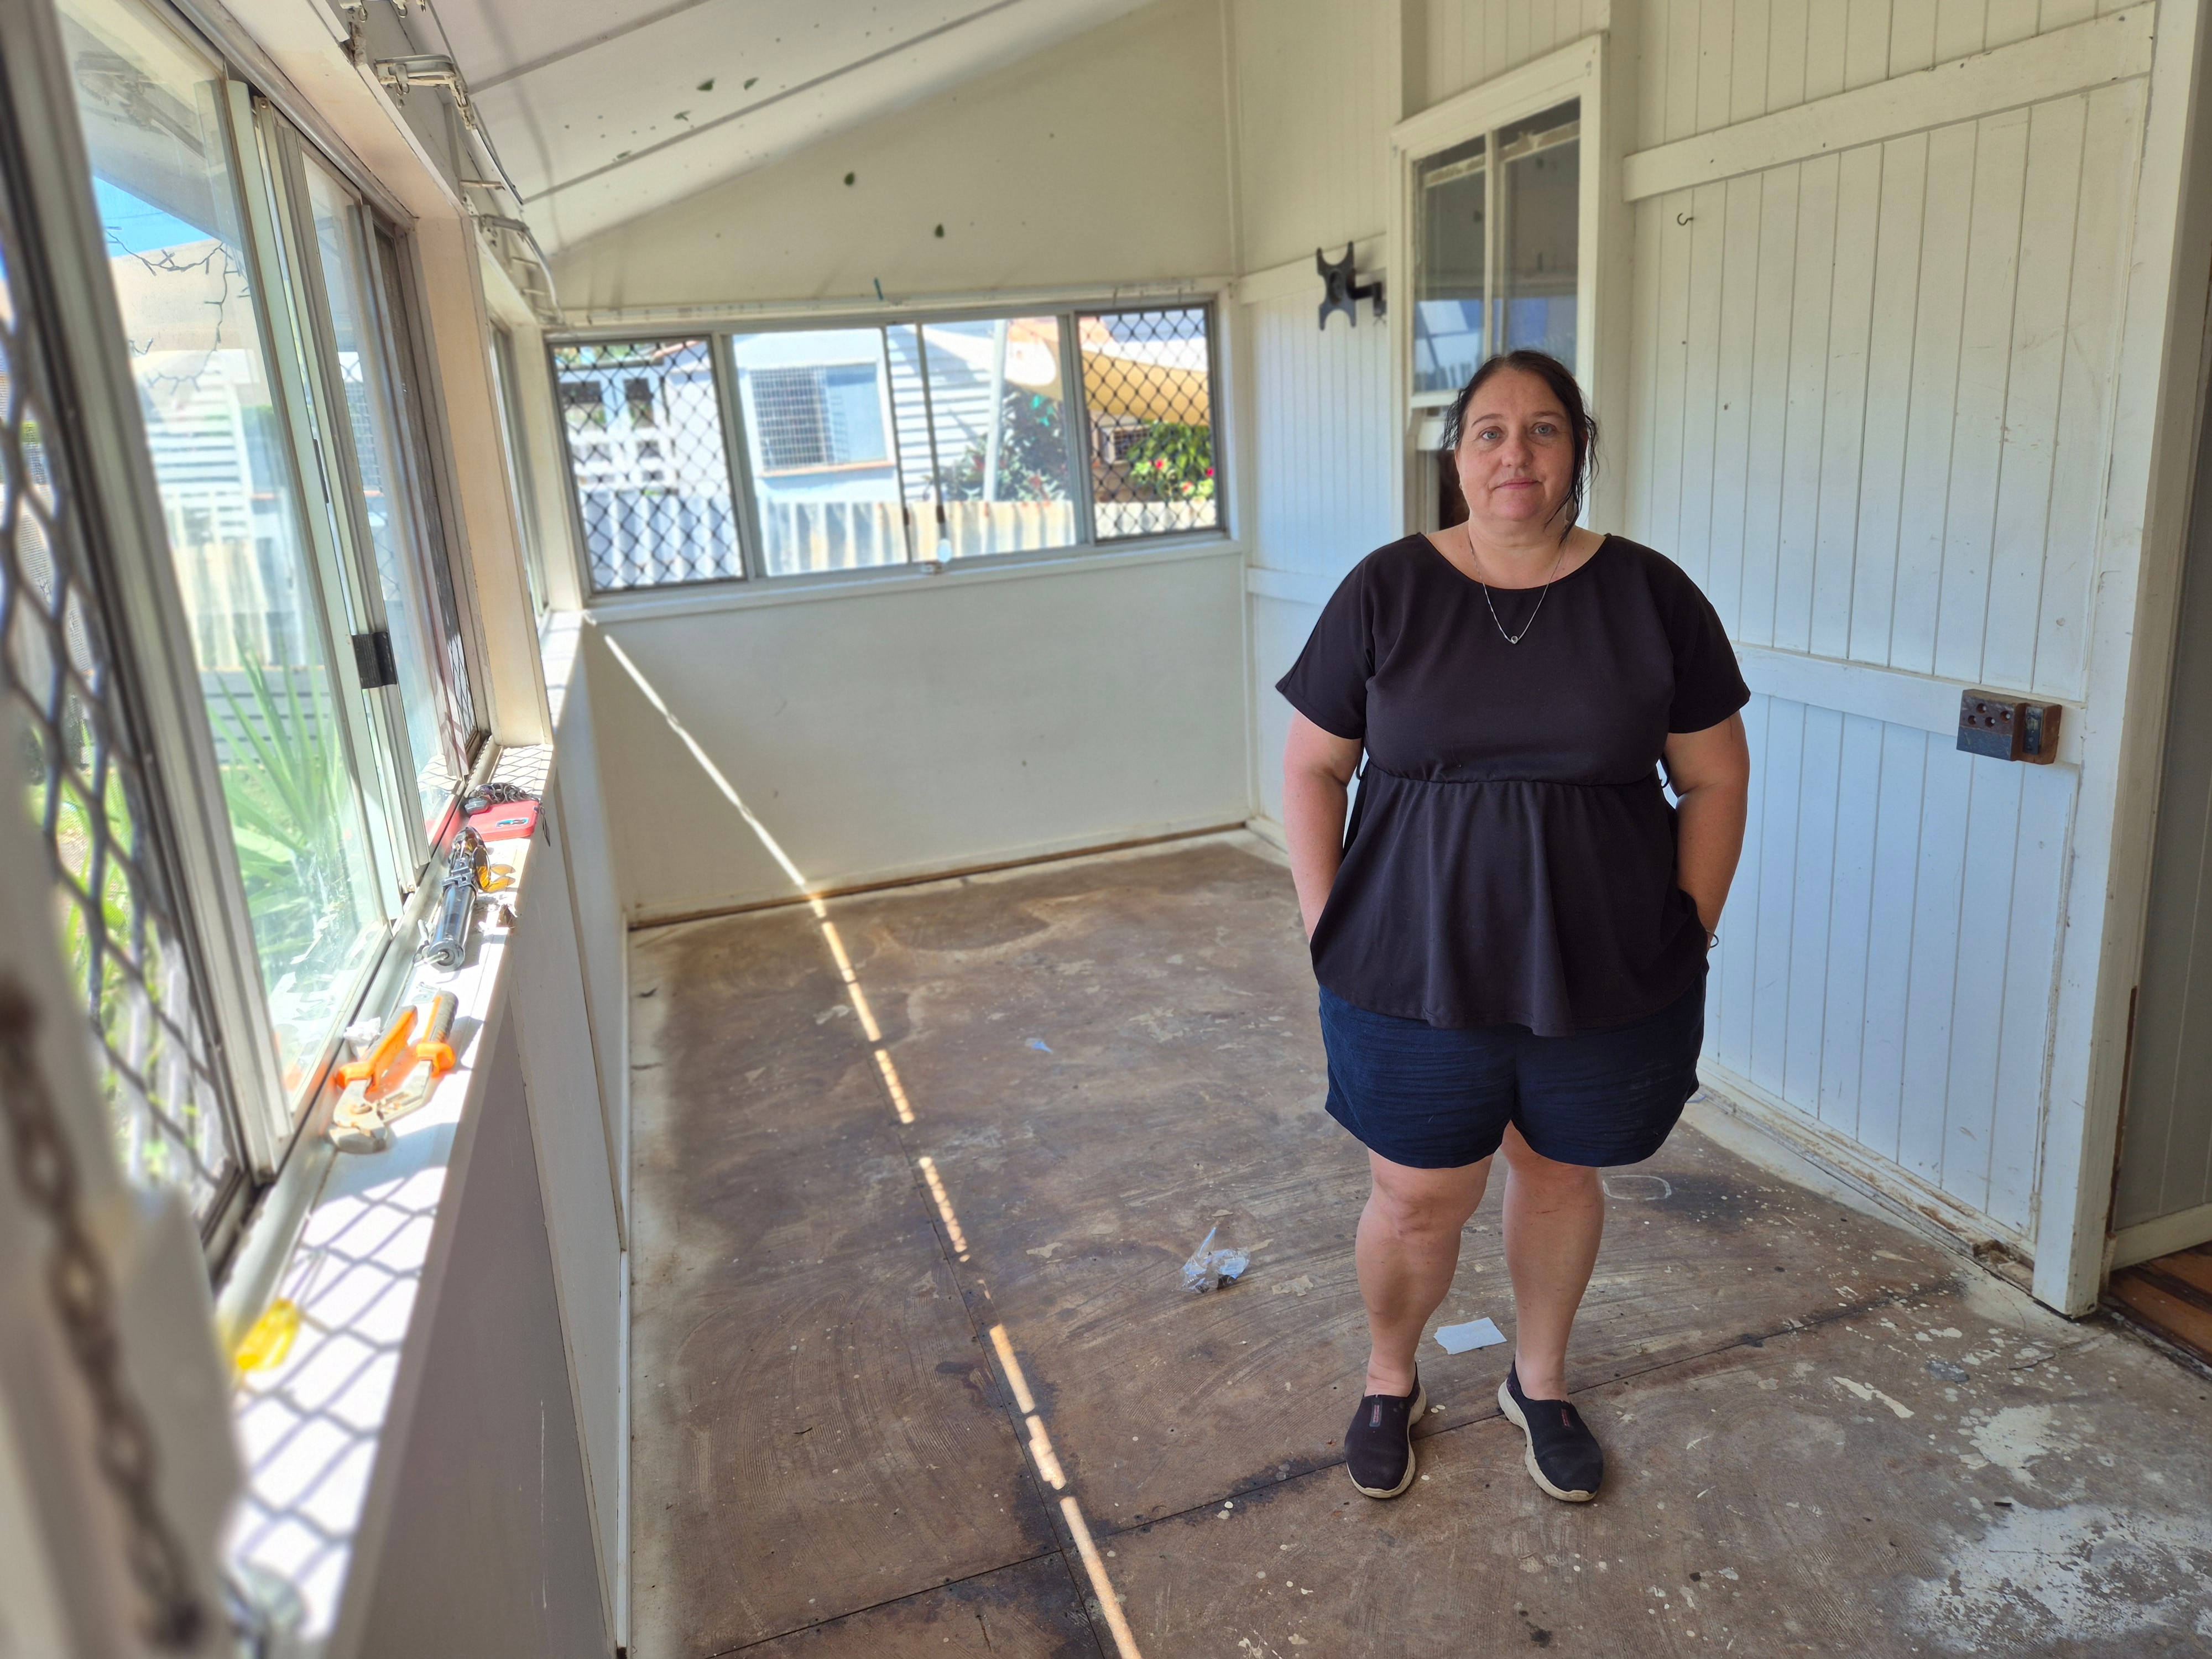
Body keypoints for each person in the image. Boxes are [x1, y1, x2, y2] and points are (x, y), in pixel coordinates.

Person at [1276, 349, 1750, 1505]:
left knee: (1555, 1179)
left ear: (1577, 449)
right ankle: (1392, 1377)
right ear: (1456, 458)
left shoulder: (1650, 595)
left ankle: (1537, 1383)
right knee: (1412, 1195)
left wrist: (1688, 926)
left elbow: (1714, 780)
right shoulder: (1385, 589)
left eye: (1542, 430)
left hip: (1602, 970)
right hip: (1404, 967)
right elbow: (1310, 767)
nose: (1515, 455)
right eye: (1488, 431)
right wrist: (1328, 921)